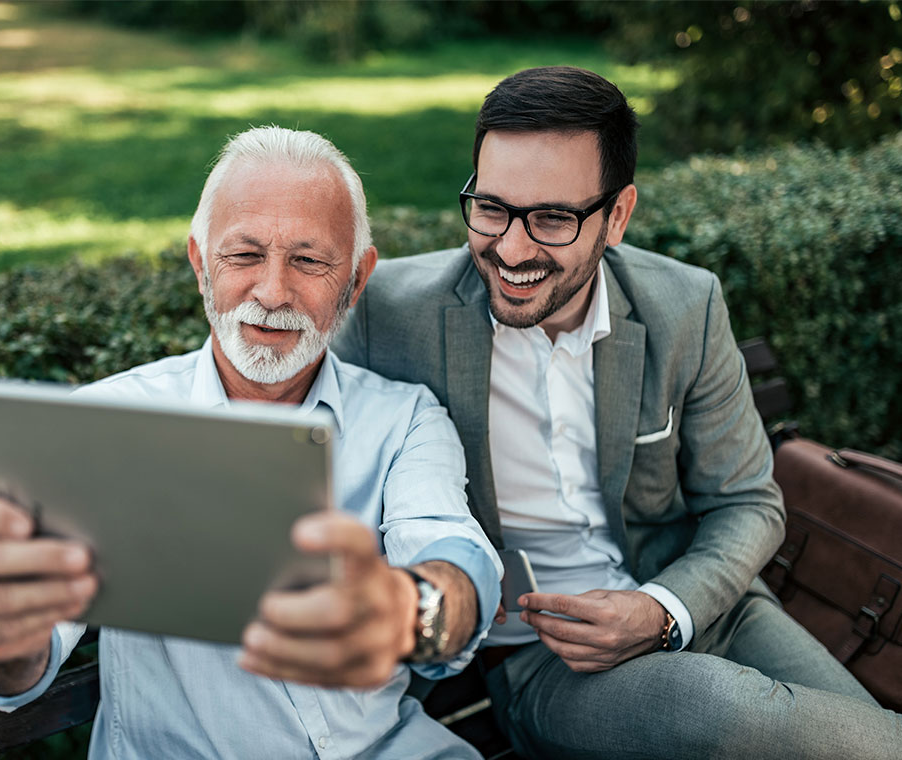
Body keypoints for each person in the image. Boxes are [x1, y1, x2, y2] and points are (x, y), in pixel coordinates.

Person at [333, 66, 902, 759]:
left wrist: (663, 610)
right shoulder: (389, 313)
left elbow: (749, 501)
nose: (511, 249)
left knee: (864, 735)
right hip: (545, 660)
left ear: (617, 216)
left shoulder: (685, 306)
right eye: (490, 208)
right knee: (739, 715)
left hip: (703, 604)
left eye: (551, 218)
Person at [0, 126, 503, 760]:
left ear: (357, 279)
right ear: (201, 261)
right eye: (244, 255)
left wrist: (411, 609)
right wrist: (2, 637)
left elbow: (452, 550)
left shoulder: (405, 419)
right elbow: (16, 662)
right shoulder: (110, 424)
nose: (273, 292)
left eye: (310, 261)